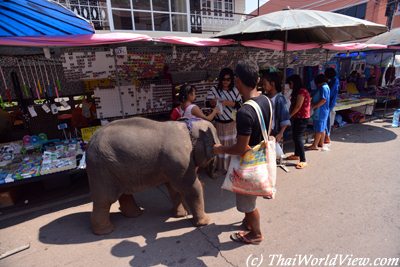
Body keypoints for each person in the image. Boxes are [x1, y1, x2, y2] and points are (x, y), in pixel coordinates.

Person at [213, 60, 271, 244]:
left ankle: (256, 234)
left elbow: (240, 148)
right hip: (261, 156)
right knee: (251, 198)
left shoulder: (245, 112)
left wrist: (220, 149)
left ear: (238, 81)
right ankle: (248, 222)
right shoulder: (265, 100)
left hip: (250, 164)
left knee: (248, 204)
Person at [206, 68, 242, 174]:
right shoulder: (214, 90)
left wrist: (228, 103)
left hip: (231, 123)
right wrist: (212, 103)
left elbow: (240, 105)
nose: (225, 81)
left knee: (231, 145)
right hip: (219, 123)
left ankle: (230, 166)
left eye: (228, 79)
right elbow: (207, 103)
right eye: (223, 79)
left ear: (231, 80)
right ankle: (219, 166)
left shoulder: (235, 91)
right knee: (220, 145)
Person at [287, 74, 311, 169]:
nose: (289, 86)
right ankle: (297, 154)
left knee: (298, 137)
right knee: (295, 136)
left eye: (290, 84)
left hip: (302, 118)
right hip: (298, 117)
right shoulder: (299, 91)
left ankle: (303, 160)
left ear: (293, 83)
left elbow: (298, 107)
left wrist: (289, 116)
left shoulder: (302, 91)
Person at [262, 72, 291, 143]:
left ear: (272, 84)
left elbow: (285, 117)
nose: (263, 86)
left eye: (265, 84)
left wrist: (281, 133)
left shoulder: (280, 99)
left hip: (274, 132)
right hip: (265, 131)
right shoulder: (265, 97)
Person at [306, 74, 330, 151]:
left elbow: (323, 100)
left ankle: (315, 145)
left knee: (318, 128)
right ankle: (321, 143)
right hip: (324, 111)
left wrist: (314, 106)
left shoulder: (323, 88)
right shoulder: (326, 87)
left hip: (320, 111)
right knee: (322, 128)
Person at [324, 68, 339, 144]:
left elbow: (330, 93)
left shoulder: (334, 81)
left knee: (326, 119)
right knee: (326, 118)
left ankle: (327, 136)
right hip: (330, 102)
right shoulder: (334, 80)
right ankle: (326, 135)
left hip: (329, 102)